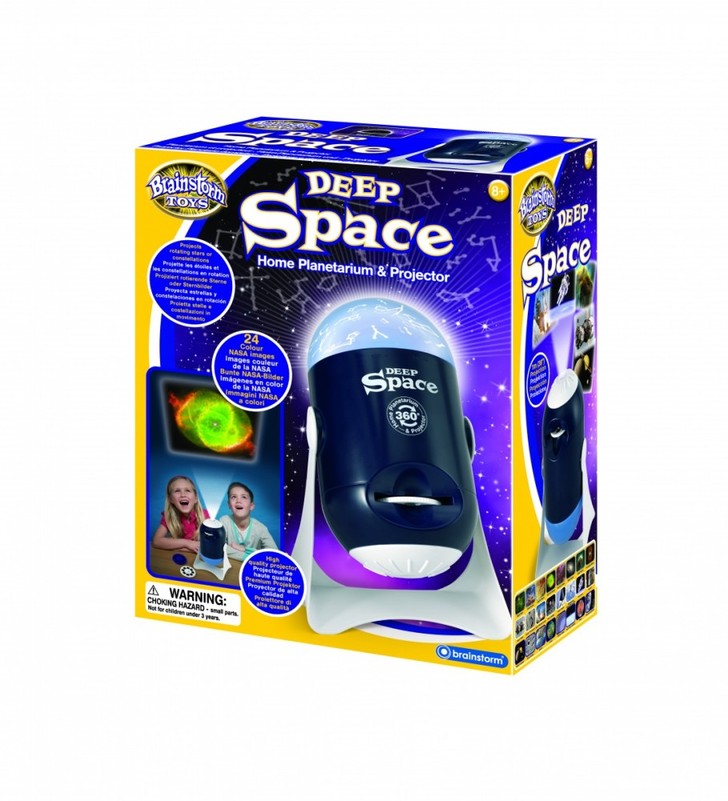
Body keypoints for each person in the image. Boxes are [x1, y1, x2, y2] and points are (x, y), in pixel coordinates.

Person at [220, 482, 277, 559]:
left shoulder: (260, 529)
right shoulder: (224, 521)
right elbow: (217, 546)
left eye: (244, 497)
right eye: (234, 497)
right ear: (229, 505)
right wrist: (249, 557)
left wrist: (245, 549)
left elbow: (275, 555)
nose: (238, 500)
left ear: (251, 506)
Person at [152, 475, 208, 552]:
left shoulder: (205, 516)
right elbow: (156, 541)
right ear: (170, 499)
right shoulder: (169, 517)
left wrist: (176, 547)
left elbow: (208, 547)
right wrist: (187, 543)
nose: (183, 495)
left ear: (195, 498)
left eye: (187, 490)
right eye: (177, 491)